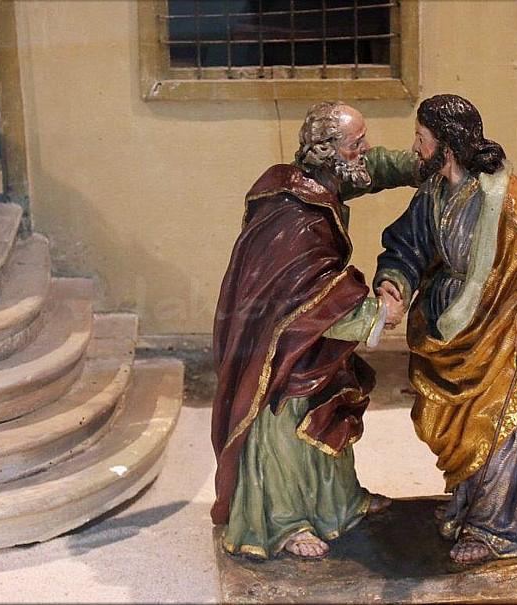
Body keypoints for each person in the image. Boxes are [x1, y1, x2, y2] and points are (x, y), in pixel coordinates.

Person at [374, 94, 517, 564]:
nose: (415, 148)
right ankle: (470, 504)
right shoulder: (434, 192)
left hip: (500, 328)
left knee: (500, 424)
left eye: (421, 138)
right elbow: (407, 246)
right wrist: (394, 285)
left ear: (447, 146)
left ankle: (497, 527)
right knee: (459, 426)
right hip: (449, 327)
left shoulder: (504, 196)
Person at [211, 101, 416, 560]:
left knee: (330, 412)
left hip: (310, 341)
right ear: (328, 152)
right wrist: (376, 313)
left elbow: (375, 167)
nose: (365, 149)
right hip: (279, 351)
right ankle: (283, 523)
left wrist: (418, 166)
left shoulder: (325, 179)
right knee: (287, 428)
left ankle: (340, 505)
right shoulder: (296, 216)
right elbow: (309, 298)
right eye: (356, 143)